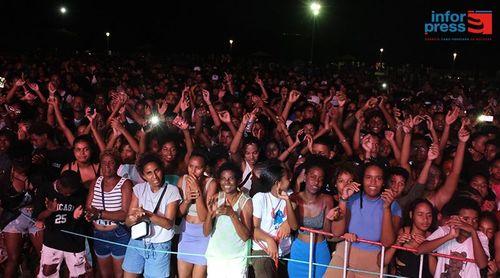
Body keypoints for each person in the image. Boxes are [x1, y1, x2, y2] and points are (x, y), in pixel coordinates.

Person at [328, 162, 401, 278]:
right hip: (346, 252)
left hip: (373, 260)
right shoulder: (352, 198)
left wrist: (386, 208)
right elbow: (337, 232)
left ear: (383, 182)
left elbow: (387, 242)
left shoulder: (393, 205)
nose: (373, 182)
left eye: (378, 178)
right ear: (362, 179)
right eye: (368, 177)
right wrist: (343, 200)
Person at [122, 153, 181, 278]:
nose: (154, 176)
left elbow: (169, 224)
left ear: (162, 169)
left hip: (159, 246)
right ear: (143, 176)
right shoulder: (139, 189)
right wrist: (132, 219)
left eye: (157, 170)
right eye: (149, 173)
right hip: (137, 241)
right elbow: (127, 221)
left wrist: (147, 215)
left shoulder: (172, 190)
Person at [85, 150, 133, 278]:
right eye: (104, 163)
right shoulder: (96, 181)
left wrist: (99, 214)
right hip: (98, 233)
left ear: (118, 165)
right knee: (105, 274)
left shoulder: (125, 184)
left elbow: (124, 214)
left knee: (119, 274)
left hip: (118, 233)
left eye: (111, 163)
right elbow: (88, 206)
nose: (107, 166)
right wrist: (90, 214)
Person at [33, 170, 88, 278]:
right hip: (53, 239)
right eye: (66, 192)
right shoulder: (45, 189)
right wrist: (50, 211)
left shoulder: (81, 191)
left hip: (75, 240)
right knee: (47, 274)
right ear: (59, 184)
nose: (68, 195)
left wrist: (76, 217)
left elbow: (85, 219)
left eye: (71, 192)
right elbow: (38, 217)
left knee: (78, 275)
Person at [0, 140, 43, 278]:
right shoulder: (4, 178)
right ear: (13, 162)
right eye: (19, 166)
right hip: (13, 218)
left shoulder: (37, 172)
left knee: (46, 256)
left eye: (26, 165)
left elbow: (46, 196)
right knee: (13, 259)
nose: (23, 169)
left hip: (36, 217)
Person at [417, 198, 490, 278]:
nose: (470, 224)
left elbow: (482, 264)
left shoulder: (480, 236)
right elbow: (420, 250)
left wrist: (473, 232)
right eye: (466, 219)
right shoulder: (444, 231)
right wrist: (449, 236)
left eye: (475, 220)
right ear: (455, 218)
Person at [204, 162, 253, 278]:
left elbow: (246, 236)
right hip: (215, 258)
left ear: (238, 180)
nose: (226, 182)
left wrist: (232, 214)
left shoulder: (245, 201)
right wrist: (210, 214)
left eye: (231, 178)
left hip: (236, 261)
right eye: (223, 179)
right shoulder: (217, 198)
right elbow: (206, 232)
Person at [288, 156, 334, 278]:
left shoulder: (327, 200)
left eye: (320, 179)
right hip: (300, 250)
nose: (316, 182)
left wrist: (329, 218)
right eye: (313, 177)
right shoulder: (294, 197)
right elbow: (293, 227)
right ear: (305, 177)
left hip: (320, 250)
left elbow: (327, 233)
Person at [251, 161, 298, 278]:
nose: (290, 180)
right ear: (278, 183)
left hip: (285, 251)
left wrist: (287, 201)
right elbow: (254, 228)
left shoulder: (290, 195)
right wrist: (269, 240)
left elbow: (294, 226)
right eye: (287, 178)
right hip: (264, 250)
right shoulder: (260, 198)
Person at [176, 151, 217, 278]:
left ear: (204, 168)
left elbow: (205, 217)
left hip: (203, 235)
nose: (193, 171)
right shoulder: (182, 180)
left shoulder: (212, 183)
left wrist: (197, 191)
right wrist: (187, 200)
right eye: (190, 166)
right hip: (185, 232)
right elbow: (177, 214)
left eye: (198, 168)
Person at [381, 198, 436, 277]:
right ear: (411, 215)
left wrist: (428, 247)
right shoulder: (403, 232)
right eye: (420, 214)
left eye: (429, 215)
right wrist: (397, 244)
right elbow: (382, 262)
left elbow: (435, 273)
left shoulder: (433, 237)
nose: (425, 219)